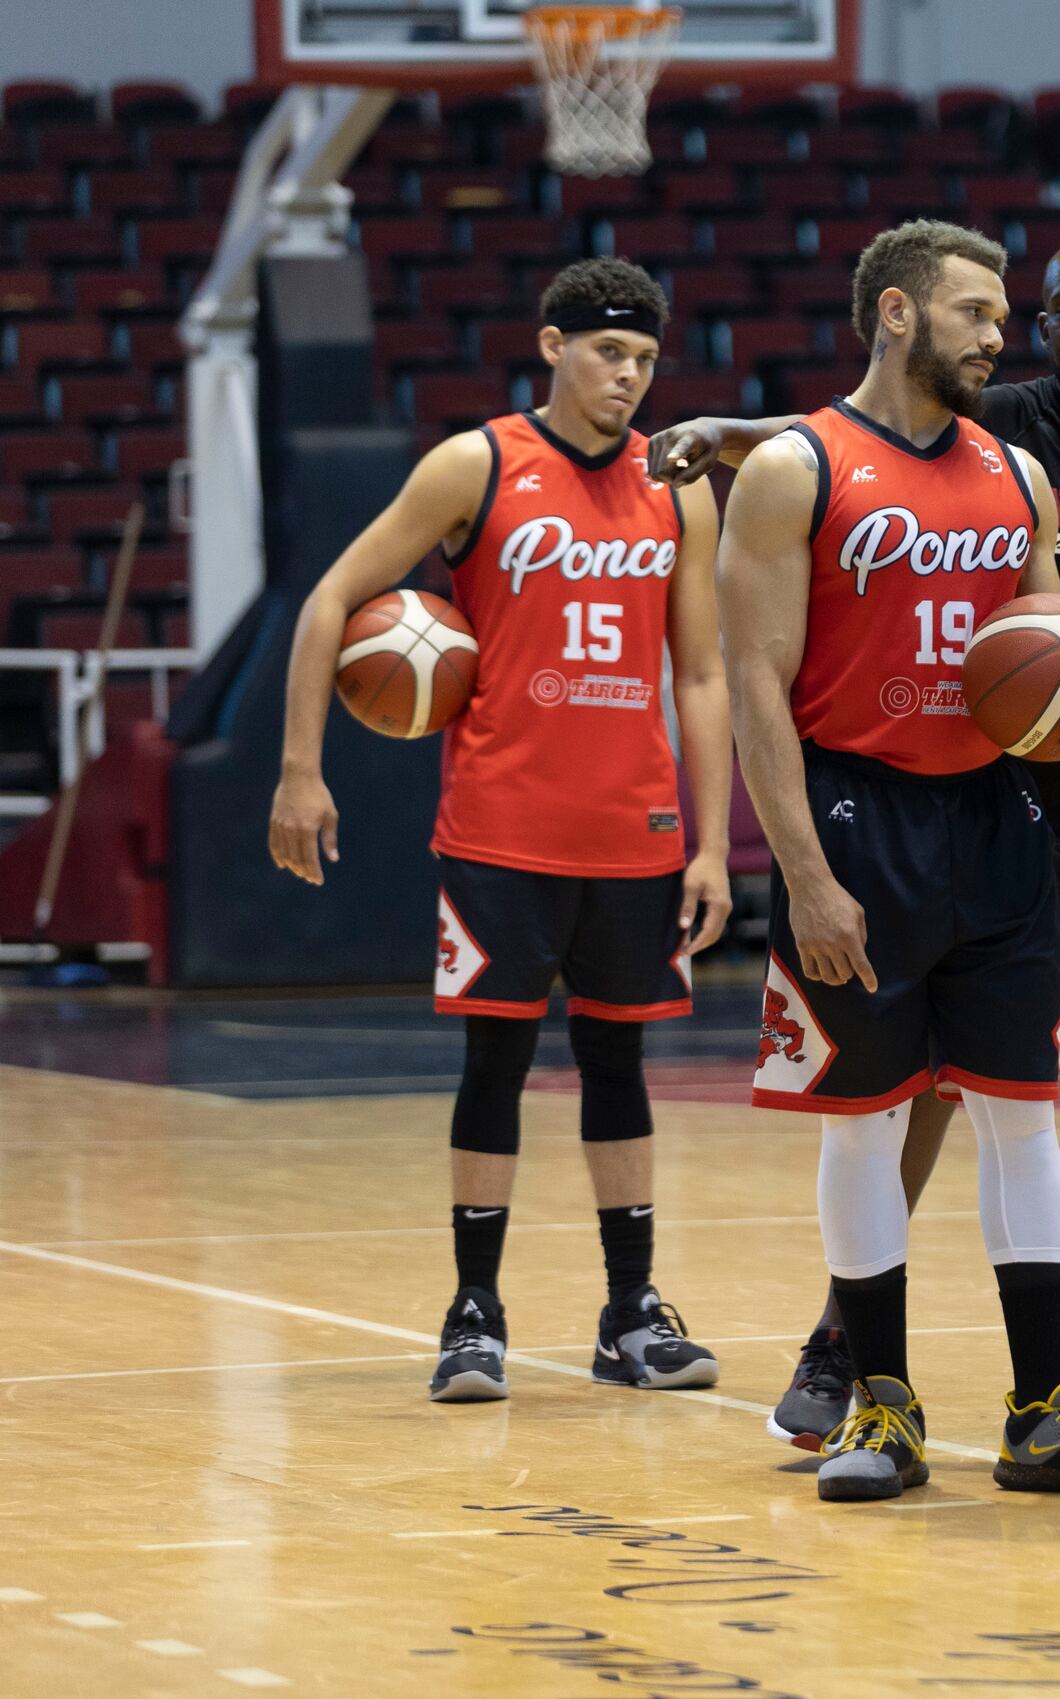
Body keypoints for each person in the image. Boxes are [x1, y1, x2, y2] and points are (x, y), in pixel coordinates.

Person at [653, 233, 1060, 1450]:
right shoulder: (896, 449)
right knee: (889, 1103)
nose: (1030, 330)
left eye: (1029, 312)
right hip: (902, 806)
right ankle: (860, 1376)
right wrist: (799, 867)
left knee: (1057, 1098)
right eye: (1007, 311)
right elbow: (774, 639)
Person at [716, 217, 1060, 1500]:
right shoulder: (794, 468)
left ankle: (1047, 1413)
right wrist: (802, 872)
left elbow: (1058, 648)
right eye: (977, 311)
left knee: (1022, 1113)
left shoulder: (1017, 476)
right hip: (855, 820)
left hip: (994, 818)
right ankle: (881, 1409)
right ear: (900, 314)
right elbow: (754, 683)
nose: (1001, 333)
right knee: (866, 1125)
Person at [267, 258, 731, 1401]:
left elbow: (706, 673)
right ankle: (474, 1311)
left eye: (643, 359)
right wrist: (298, 770)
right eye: (606, 352)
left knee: (620, 1062)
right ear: (552, 345)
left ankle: (632, 1309)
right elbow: (331, 598)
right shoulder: (475, 463)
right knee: (498, 1060)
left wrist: (715, 843)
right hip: (500, 825)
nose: (626, 375)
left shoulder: (680, 484)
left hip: (636, 827)